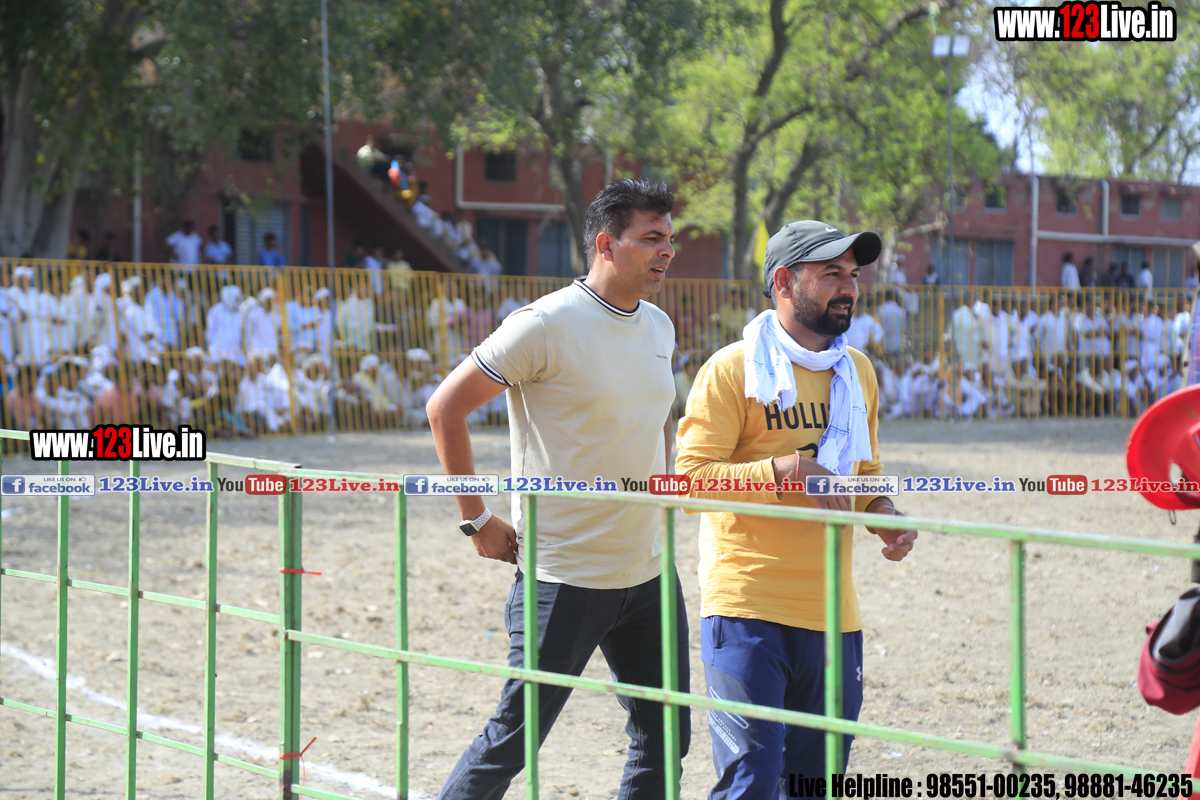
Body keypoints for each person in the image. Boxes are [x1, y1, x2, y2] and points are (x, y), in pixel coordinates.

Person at [426, 178, 690, 800]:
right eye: (652, 238)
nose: (667, 251)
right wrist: (476, 519)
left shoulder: (658, 325)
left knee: (665, 737)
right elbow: (445, 408)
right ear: (606, 244)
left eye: (670, 239)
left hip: (649, 572)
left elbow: (661, 414)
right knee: (512, 741)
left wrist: (668, 476)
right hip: (564, 576)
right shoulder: (544, 324)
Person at [674, 219, 917, 794]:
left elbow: (864, 474)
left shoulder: (857, 371)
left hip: (833, 614)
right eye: (831, 273)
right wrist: (781, 472)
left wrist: (883, 513)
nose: (849, 287)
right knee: (751, 785)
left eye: (852, 274)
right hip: (747, 609)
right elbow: (689, 482)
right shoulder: (730, 369)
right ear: (783, 282)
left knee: (816, 785)